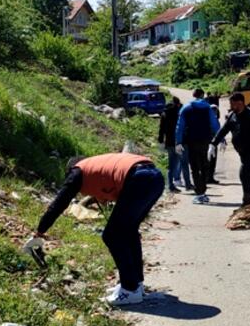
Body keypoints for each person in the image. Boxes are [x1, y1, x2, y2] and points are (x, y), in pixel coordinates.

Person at [25, 153, 165, 306]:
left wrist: (40, 231)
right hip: (155, 178)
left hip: (140, 179)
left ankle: (129, 290)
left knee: (112, 235)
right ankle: (136, 284)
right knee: (128, 232)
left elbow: (59, 203)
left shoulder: (77, 172)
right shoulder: (97, 167)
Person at [175, 89, 220, 204]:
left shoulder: (186, 108)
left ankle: (199, 193)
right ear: (202, 96)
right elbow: (214, 123)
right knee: (205, 166)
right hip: (206, 140)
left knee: (195, 167)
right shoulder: (207, 108)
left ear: (193, 96)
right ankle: (203, 191)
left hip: (192, 141)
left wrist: (178, 142)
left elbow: (180, 126)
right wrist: (220, 138)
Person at [158, 97, 189, 192]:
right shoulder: (179, 113)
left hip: (169, 142)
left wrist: (161, 140)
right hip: (180, 142)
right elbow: (183, 127)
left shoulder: (164, 113)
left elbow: (161, 129)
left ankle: (170, 185)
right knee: (184, 163)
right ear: (178, 104)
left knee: (171, 165)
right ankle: (188, 184)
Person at [206, 96, 222, 185]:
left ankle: (210, 177)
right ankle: (207, 177)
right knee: (209, 160)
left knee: (213, 160)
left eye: (215, 110)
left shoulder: (216, 120)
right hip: (208, 142)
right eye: (213, 110)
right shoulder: (208, 120)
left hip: (214, 143)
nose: (215, 111)